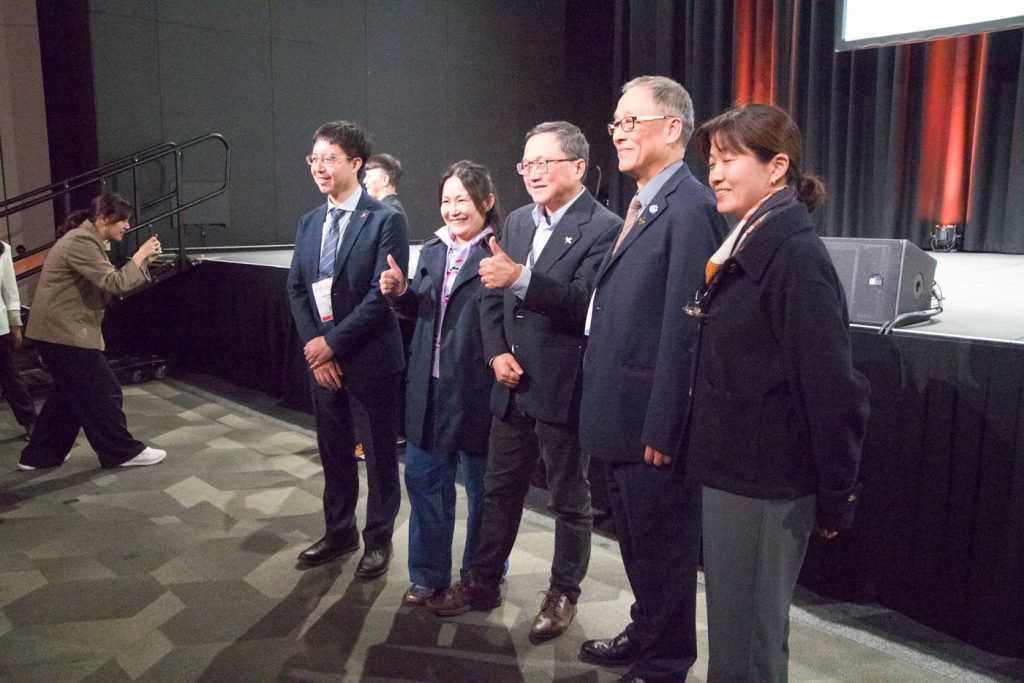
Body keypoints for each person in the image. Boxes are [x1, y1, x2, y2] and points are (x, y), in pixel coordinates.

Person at [688, 103, 870, 682]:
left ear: (777, 167)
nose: (715, 174)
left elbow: (831, 389)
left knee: (747, 652)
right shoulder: (751, 241)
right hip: (736, 473)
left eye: (729, 160)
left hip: (764, 482)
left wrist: (837, 492)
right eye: (711, 162)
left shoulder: (794, 258)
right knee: (741, 639)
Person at [427, 121, 621, 643]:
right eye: (526, 164)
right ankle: (483, 581)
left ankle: (563, 593)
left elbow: (582, 304)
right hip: (510, 384)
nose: (532, 172)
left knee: (568, 499)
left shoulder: (604, 227)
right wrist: (495, 353)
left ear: (577, 167)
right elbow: (491, 297)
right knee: (498, 490)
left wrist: (522, 278)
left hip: (562, 385)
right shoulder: (516, 220)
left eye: (543, 162)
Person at [578, 76, 727, 682]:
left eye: (629, 122)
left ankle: (665, 663)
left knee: (664, 553)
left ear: (672, 128)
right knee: (638, 546)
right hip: (620, 417)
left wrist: (665, 426)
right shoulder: (645, 204)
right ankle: (646, 633)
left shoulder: (691, 209)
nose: (618, 133)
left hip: (650, 429)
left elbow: (685, 329)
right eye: (615, 123)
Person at [287, 120, 409, 578]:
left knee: (379, 458)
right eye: (314, 158)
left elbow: (381, 297)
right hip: (324, 361)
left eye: (329, 159)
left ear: (356, 163)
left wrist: (331, 346)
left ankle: (378, 540)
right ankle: (339, 533)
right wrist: (315, 348)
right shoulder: (309, 222)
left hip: (371, 359)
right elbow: (297, 288)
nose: (319, 167)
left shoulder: (385, 219)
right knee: (334, 452)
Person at [379, 160, 503, 606]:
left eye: (462, 200)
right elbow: (423, 313)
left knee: (483, 492)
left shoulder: (501, 253)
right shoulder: (433, 249)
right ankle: (428, 574)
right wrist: (401, 293)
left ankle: (479, 575)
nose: (453, 209)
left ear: (487, 202)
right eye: (446, 200)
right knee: (423, 481)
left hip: (477, 391)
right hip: (427, 388)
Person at [18, 193, 165, 470]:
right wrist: (139, 256)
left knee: (69, 396)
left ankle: (40, 455)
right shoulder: (81, 241)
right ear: (102, 219)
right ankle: (121, 452)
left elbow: (107, 284)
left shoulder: (87, 240)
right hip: (63, 333)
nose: (127, 226)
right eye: (123, 220)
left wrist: (142, 262)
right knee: (103, 391)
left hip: (58, 332)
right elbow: (114, 283)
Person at [0, 239, 37, 440]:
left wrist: (15, 323)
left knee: (10, 377)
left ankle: (30, 421)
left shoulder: (2, 249)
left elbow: (9, 289)